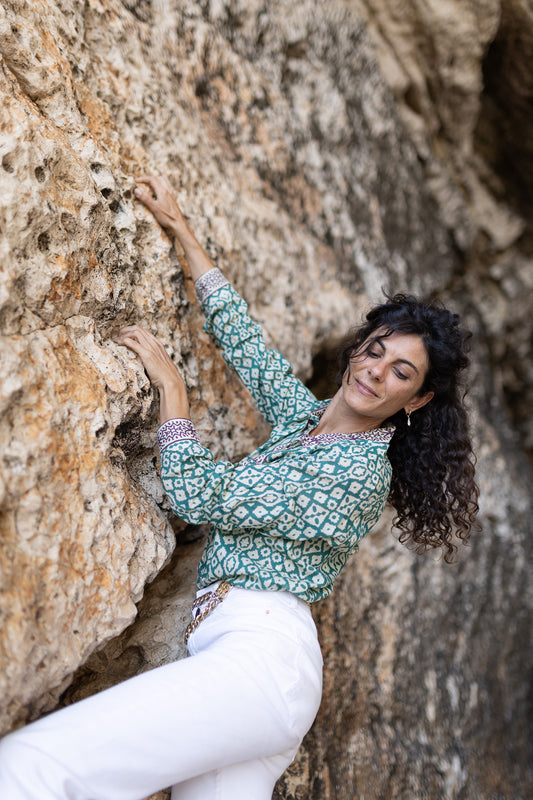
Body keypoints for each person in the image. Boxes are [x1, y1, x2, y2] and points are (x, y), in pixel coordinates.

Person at [0, 176, 479, 800]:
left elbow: (205, 497)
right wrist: (181, 230)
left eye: (400, 372)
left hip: (260, 662)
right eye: (374, 350)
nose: (374, 371)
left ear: (416, 399)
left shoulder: (359, 474)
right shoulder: (307, 423)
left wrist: (174, 398)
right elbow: (246, 343)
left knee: (36, 767)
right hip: (248, 670)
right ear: (358, 348)